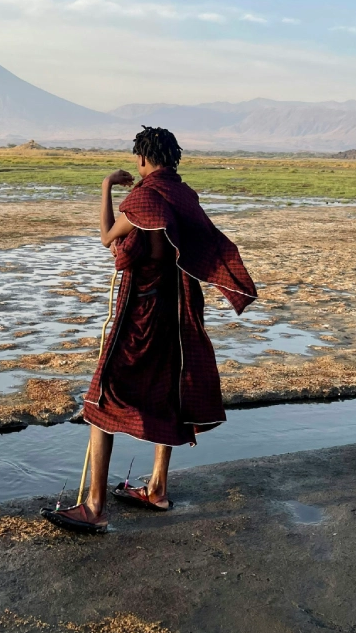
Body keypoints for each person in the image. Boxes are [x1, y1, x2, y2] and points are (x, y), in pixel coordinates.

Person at [42, 126, 257, 533]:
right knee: (168, 387)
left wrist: (106, 186)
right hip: (175, 312)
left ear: (142, 159)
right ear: (172, 159)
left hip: (138, 312)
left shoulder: (142, 198)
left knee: (102, 398)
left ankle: (95, 506)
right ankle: (156, 488)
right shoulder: (184, 197)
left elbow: (108, 238)